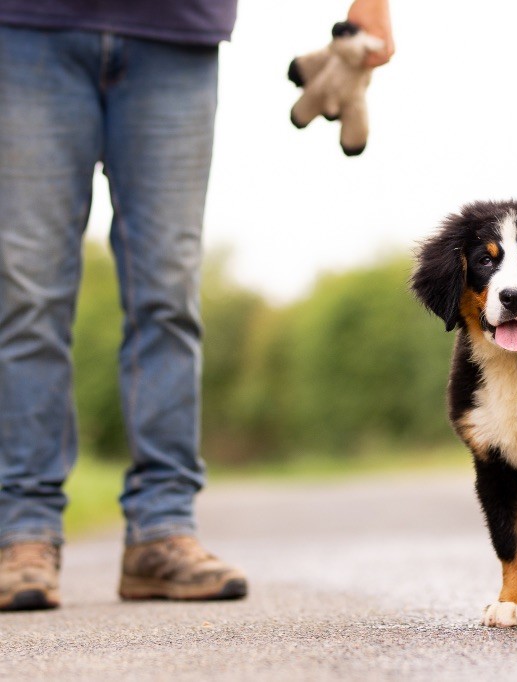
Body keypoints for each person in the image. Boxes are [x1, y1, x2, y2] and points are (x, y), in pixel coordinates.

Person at [0, 0, 394, 611]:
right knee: (27, 294)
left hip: (174, 30)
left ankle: (161, 530)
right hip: (25, 25)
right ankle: (22, 533)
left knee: (168, 292)